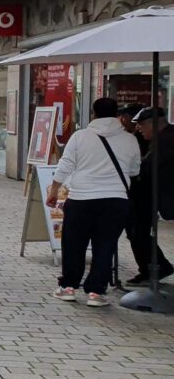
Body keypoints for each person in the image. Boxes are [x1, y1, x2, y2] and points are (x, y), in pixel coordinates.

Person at [46, 97, 139, 306]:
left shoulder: (80, 137)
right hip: (115, 200)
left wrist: (54, 191)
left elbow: (65, 165)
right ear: (117, 115)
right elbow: (134, 170)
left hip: (81, 198)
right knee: (105, 245)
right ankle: (96, 293)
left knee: (74, 244)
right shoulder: (130, 140)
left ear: (93, 114)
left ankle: (68, 288)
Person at [125, 106, 174, 287]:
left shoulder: (167, 140)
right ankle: (152, 268)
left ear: (154, 124)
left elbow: (146, 167)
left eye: (142, 124)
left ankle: (155, 268)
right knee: (137, 232)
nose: (138, 128)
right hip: (150, 196)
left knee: (138, 232)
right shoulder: (161, 138)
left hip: (155, 196)